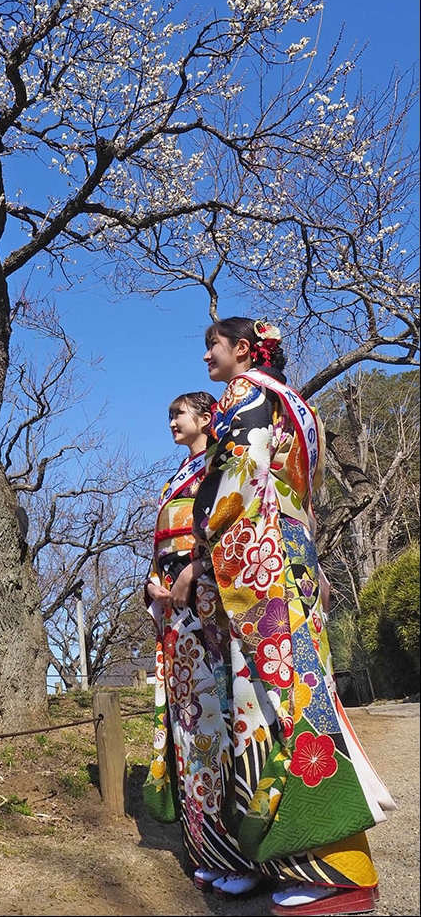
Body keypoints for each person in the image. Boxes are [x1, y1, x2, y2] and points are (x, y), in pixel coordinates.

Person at [186, 316, 396, 916]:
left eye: (213, 348)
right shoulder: (298, 406)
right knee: (303, 693)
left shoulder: (248, 396)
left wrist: (204, 550)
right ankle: (317, 861)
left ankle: (333, 871)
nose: (207, 359)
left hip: (260, 565)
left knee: (275, 705)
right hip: (294, 557)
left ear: (245, 352)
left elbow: (233, 487)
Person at [142, 390, 261, 890]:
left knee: (220, 720)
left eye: (179, 414)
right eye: (168, 414)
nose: (172, 421)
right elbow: (163, 544)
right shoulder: (176, 478)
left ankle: (241, 857)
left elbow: (230, 529)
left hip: (210, 607)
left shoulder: (220, 465)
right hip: (176, 613)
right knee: (191, 728)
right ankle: (207, 850)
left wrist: (195, 567)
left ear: (206, 417)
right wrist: (153, 584)